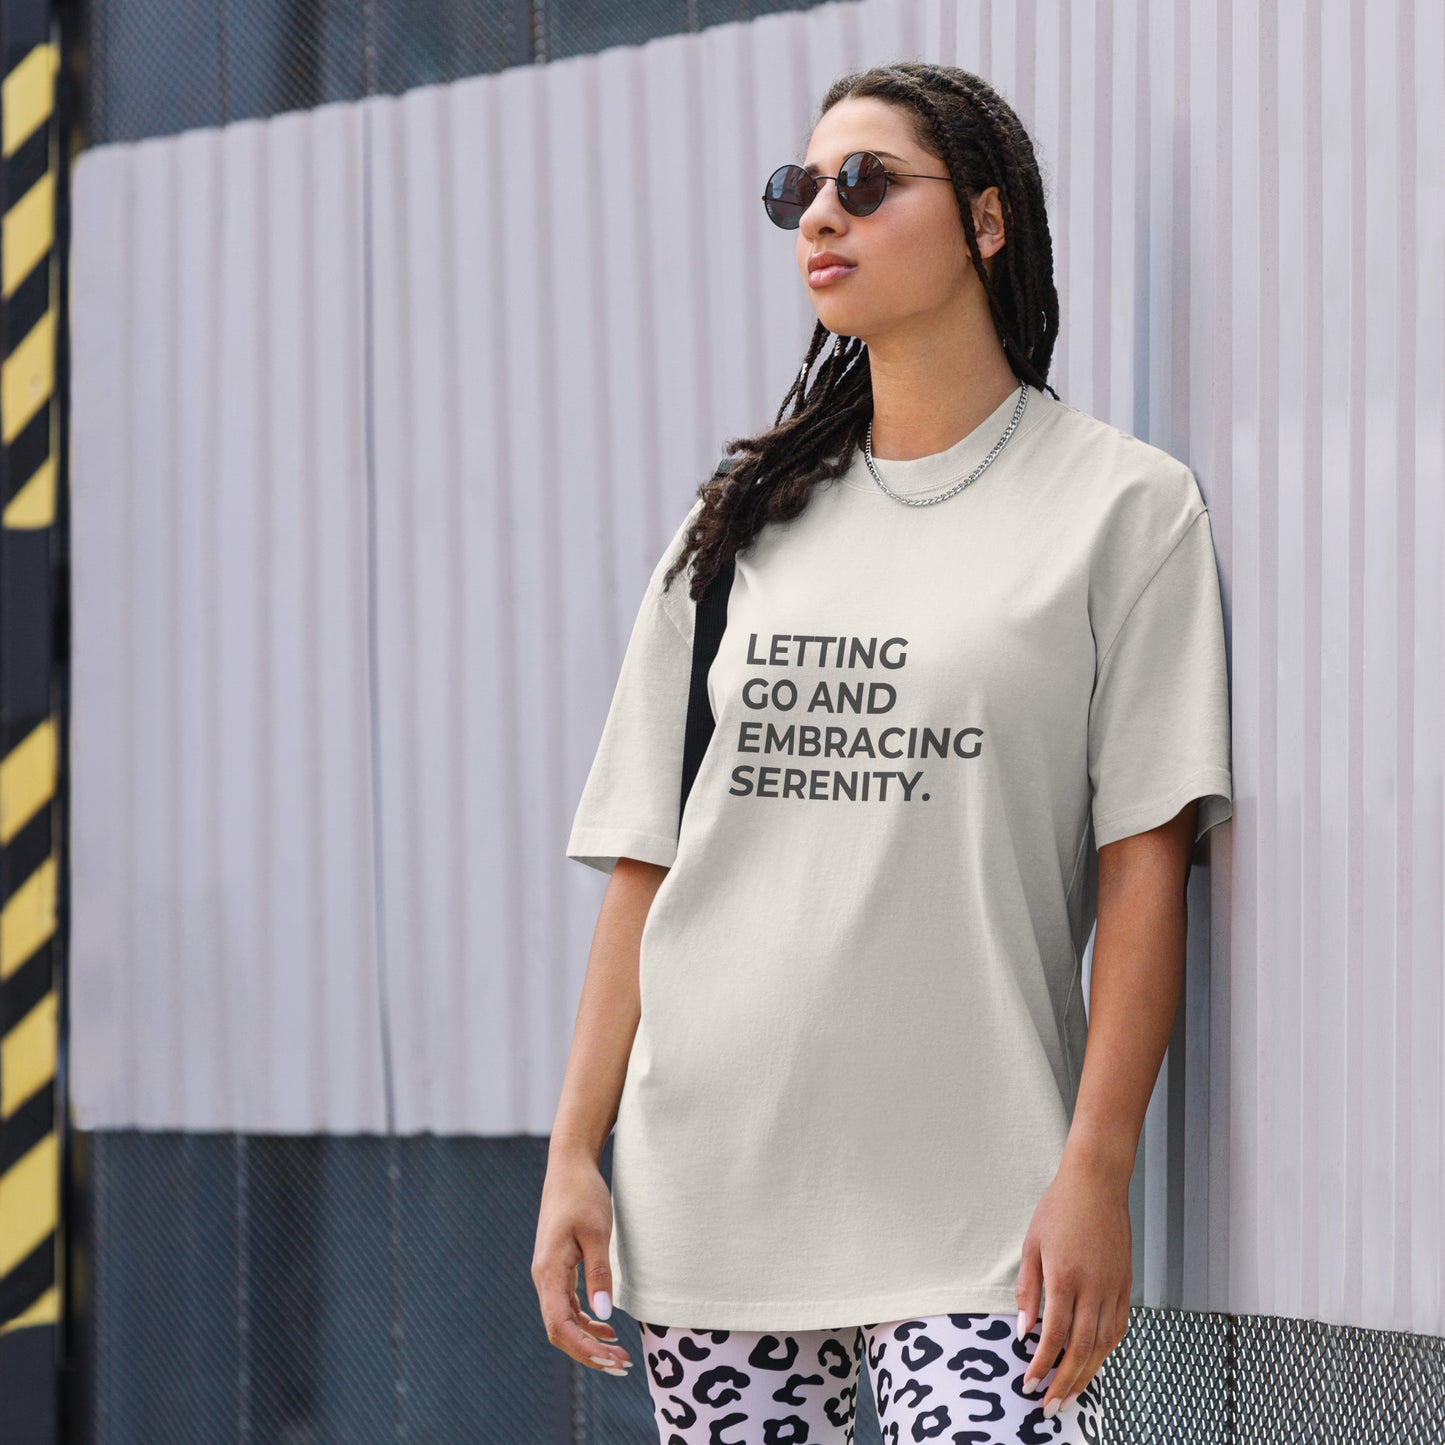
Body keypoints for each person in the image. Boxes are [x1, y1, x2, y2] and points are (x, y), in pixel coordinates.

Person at [533, 60, 1232, 1444]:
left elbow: (1145, 869)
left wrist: (1096, 1170)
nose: (820, 215)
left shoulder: (1121, 509)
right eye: (797, 189)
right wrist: (570, 1153)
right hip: (717, 1201)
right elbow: (646, 864)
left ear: (987, 219)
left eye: (864, 182)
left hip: (985, 1211)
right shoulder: (737, 527)